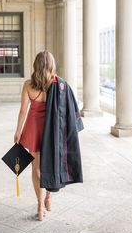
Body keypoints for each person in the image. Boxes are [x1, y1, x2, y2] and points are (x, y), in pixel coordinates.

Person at [14, 51, 83, 221]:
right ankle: (48, 200)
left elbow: (23, 110)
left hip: (33, 130)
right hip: (52, 131)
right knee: (51, 165)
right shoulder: (59, 85)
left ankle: (39, 207)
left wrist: (18, 131)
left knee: (36, 169)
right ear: (52, 65)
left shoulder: (28, 85)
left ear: (35, 65)